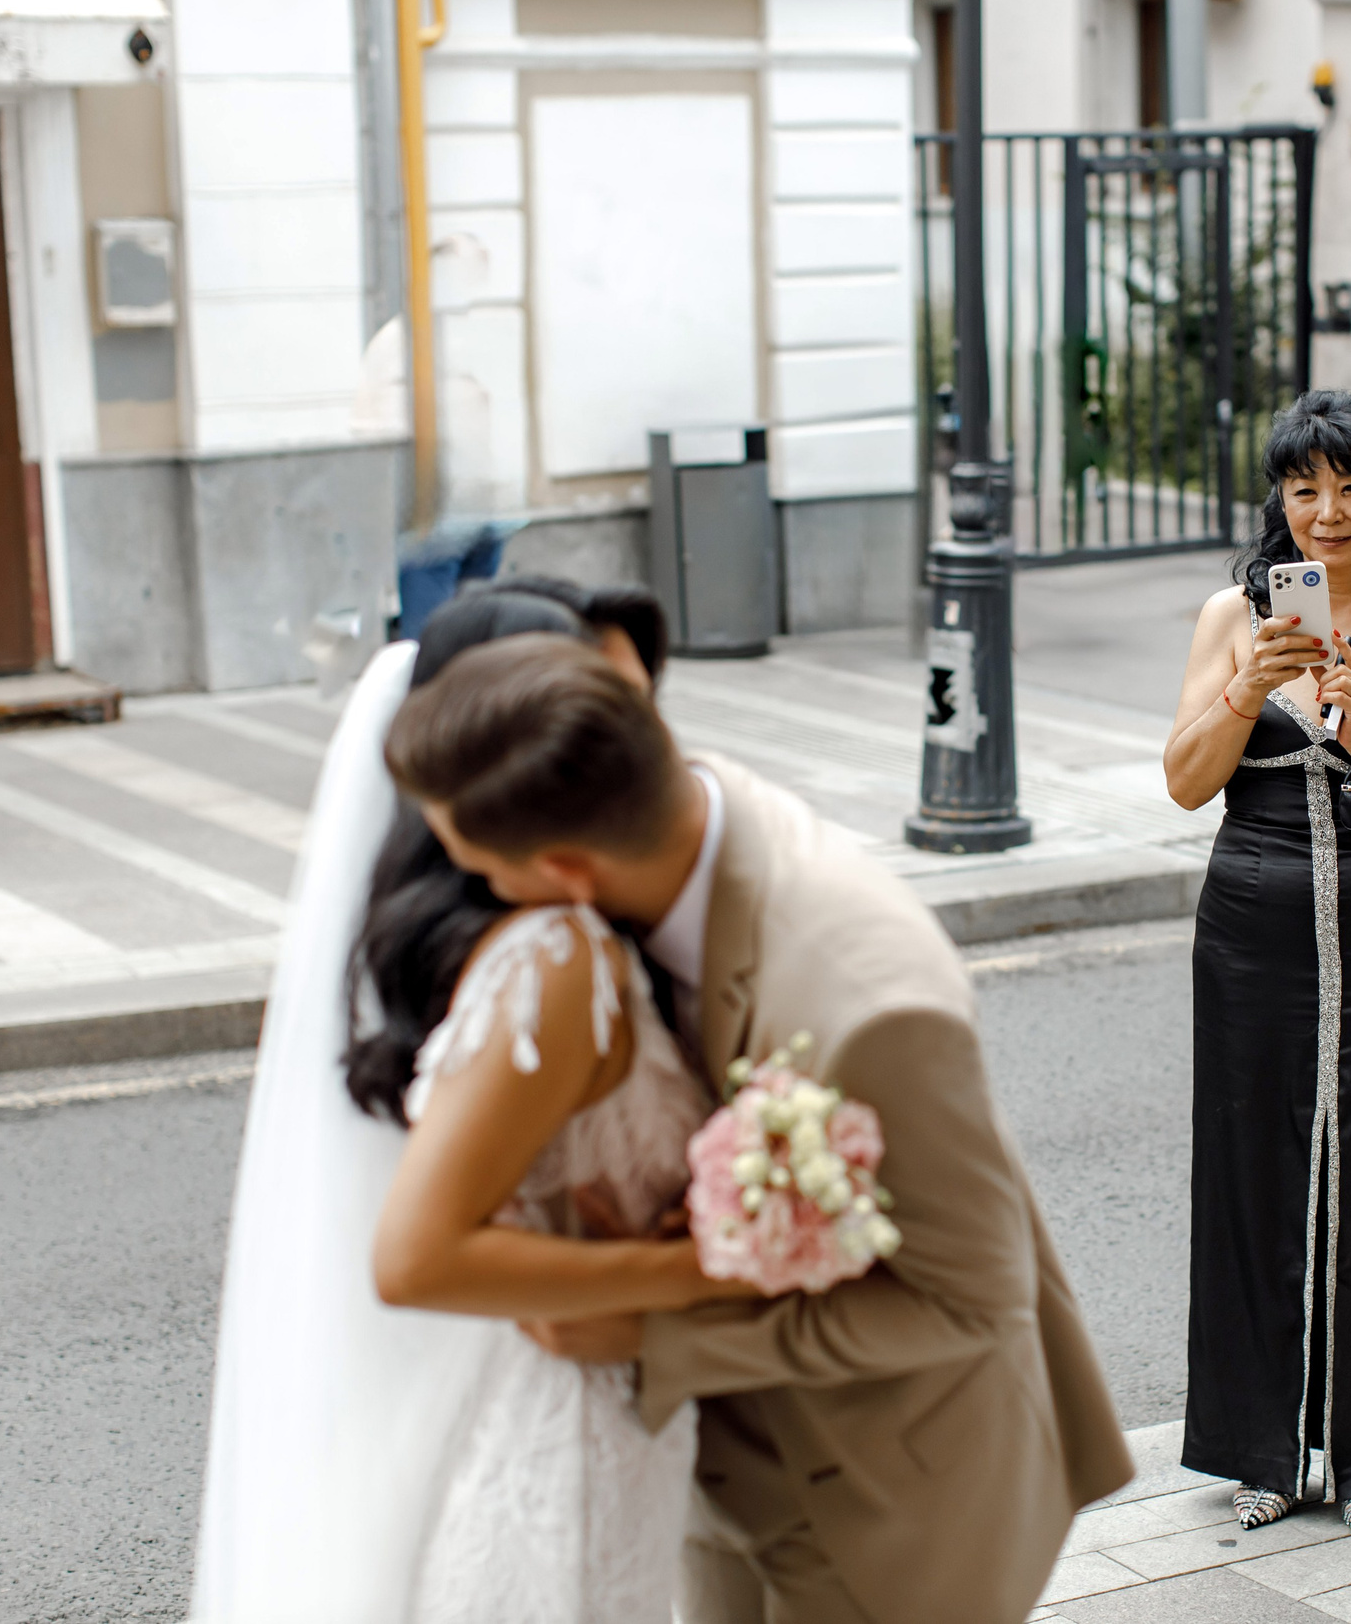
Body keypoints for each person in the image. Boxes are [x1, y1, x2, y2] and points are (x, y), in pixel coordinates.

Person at [410, 634, 1134, 1624]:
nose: (480, 902)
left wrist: (661, 1329)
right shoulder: (674, 821)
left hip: (890, 1506)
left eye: (485, 874)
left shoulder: (869, 1006)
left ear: (567, 868)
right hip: (725, 1464)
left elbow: (971, 1305)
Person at [189, 576, 687, 1624]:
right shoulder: (551, 955)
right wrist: (705, 1267)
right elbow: (421, 1254)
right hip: (565, 1446)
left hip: (572, 1424)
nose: (637, 747)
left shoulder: (523, 933)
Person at [1160, 389, 1351, 1542]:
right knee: (1251, 1172)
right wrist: (1250, 686)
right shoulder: (1226, 617)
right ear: (1280, 501)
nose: (1326, 513)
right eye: (1305, 489)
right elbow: (1186, 782)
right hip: (1250, 922)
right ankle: (1259, 1448)